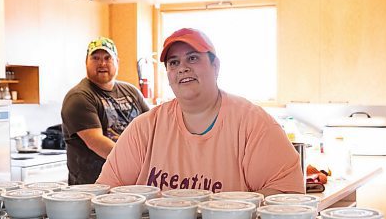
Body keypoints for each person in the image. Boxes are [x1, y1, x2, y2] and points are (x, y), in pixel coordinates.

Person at [96, 28, 303, 195]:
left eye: (193, 58)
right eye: (174, 62)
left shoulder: (252, 124)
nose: (182, 68)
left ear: (216, 66)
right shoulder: (145, 129)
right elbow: (106, 193)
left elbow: (289, 196)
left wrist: (223, 213)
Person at [61, 37, 149, 185]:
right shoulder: (79, 96)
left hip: (129, 184)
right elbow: (96, 142)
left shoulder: (131, 92)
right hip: (91, 188)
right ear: (86, 62)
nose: (102, 63)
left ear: (117, 62)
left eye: (108, 58)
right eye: (95, 58)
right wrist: (136, 162)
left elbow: (152, 126)